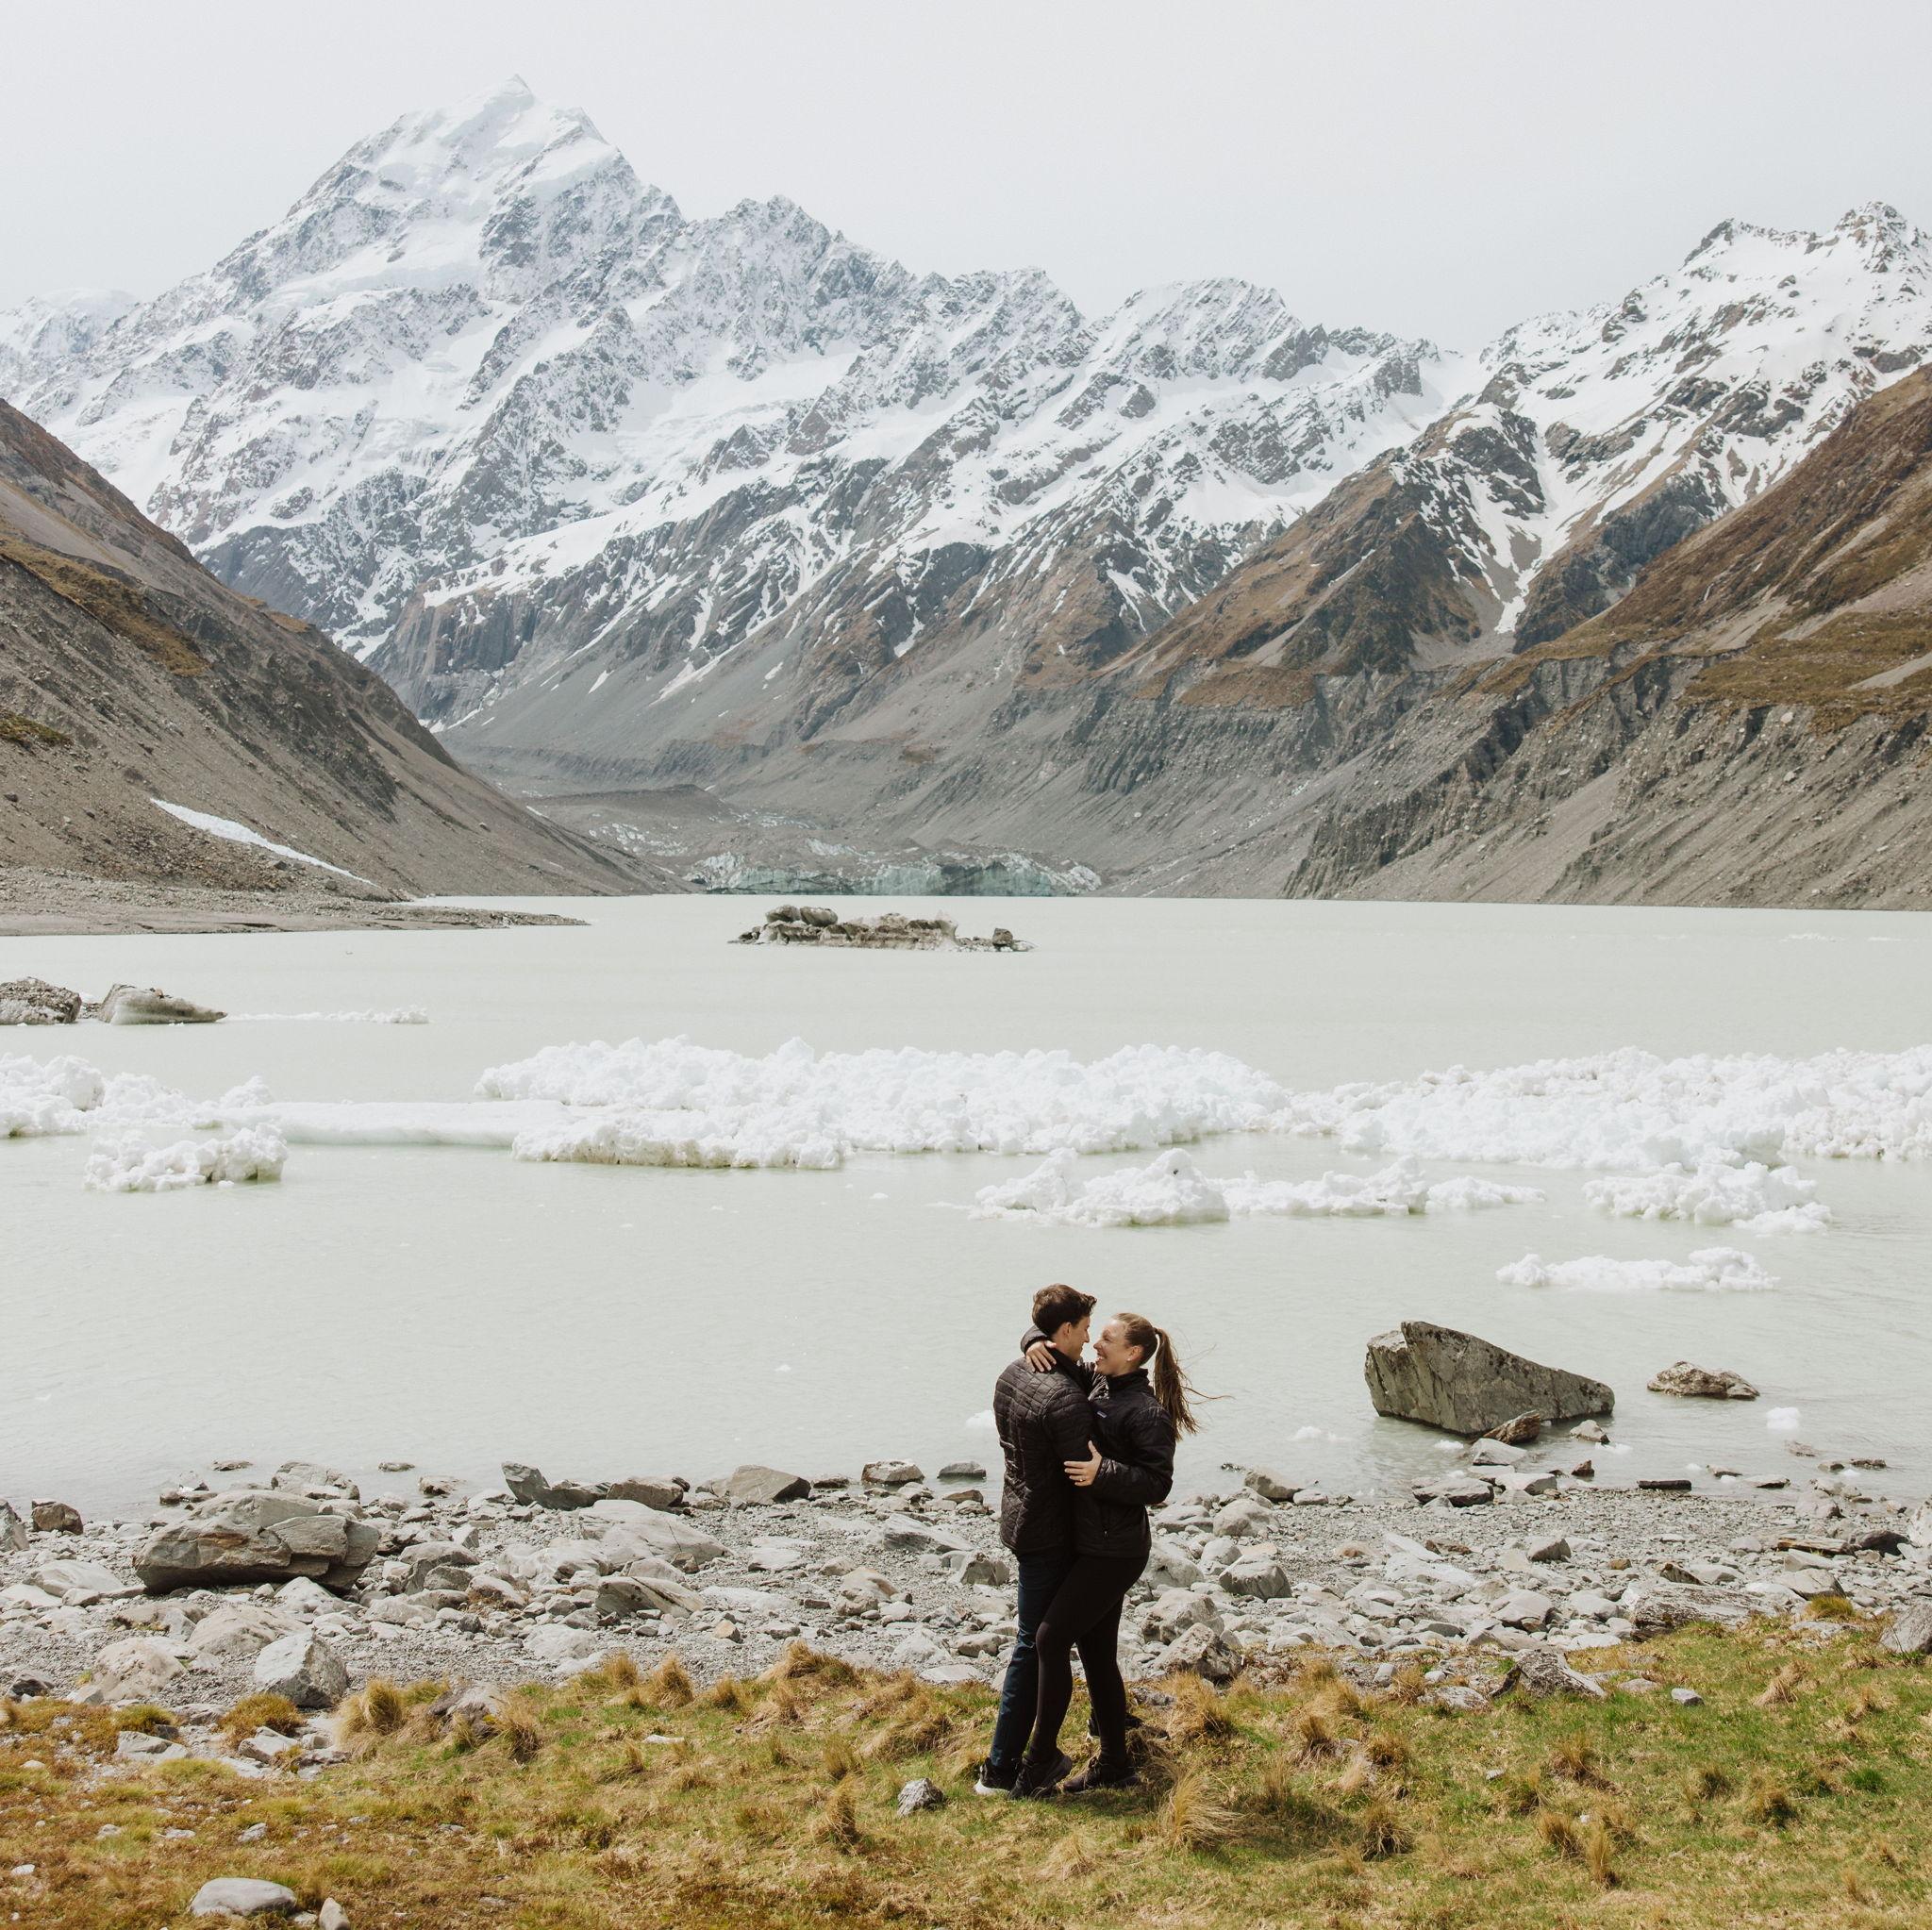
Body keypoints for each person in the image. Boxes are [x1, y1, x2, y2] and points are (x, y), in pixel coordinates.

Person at [1008, 1310, 1201, 1798]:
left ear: (1133, 1353)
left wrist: (1103, 1474)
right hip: (1088, 1544)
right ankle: (1115, 1762)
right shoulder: (1097, 1381)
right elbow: (1063, 1344)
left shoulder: (1145, 1411)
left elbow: (1158, 1485)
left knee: (1051, 1640)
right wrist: (1035, 1338)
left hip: (1114, 1552)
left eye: (1108, 1339)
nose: (1096, 1343)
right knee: (1096, 1655)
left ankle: (1039, 1761)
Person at [974, 1283, 1099, 1796]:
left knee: (1065, 1633)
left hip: (1021, 1517)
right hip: (1053, 1534)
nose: (1090, 1342)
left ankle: (1108, 1728)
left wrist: (1030, 1337)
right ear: (1064, 1331)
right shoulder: (1065, 1399)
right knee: (1035, 1644)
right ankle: (1002, 1768)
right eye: (1086, 1331)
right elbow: (1084, 1471)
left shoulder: (1013, 1372)